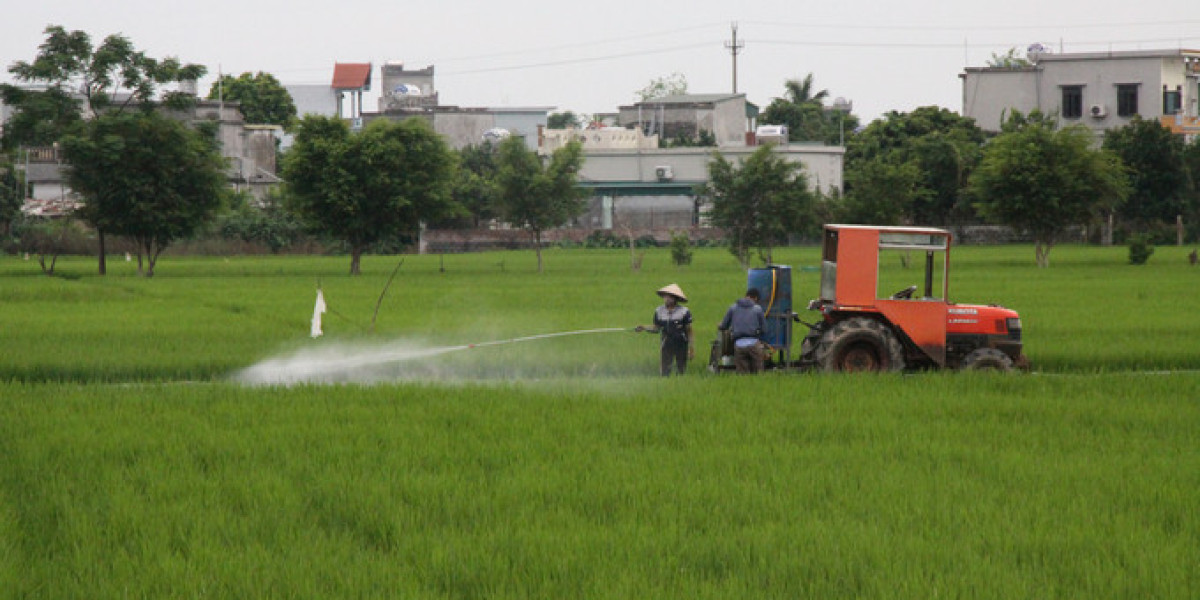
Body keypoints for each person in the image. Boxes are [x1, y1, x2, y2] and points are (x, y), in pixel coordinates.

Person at [635, 283, 694, 376]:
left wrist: (691, 349)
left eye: (670, 296)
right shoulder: (659, 311)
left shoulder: (684, 312)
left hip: (681, 343)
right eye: (665, 296)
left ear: (675, 298)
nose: (666, 298)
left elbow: (689, 331)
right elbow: (656, 328)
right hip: (666, 343)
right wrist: (644, 328)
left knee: (681, 369)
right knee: (665, 370)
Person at [718, 288, 767, 374]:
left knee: (743, 375)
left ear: (746, 296)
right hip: (754, 345)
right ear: (755, 298)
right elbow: (764, 329)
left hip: (739, 345)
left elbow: (723, 326)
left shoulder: (733, 308)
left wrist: (720, 325)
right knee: (758, 374)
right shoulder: (757, 309)